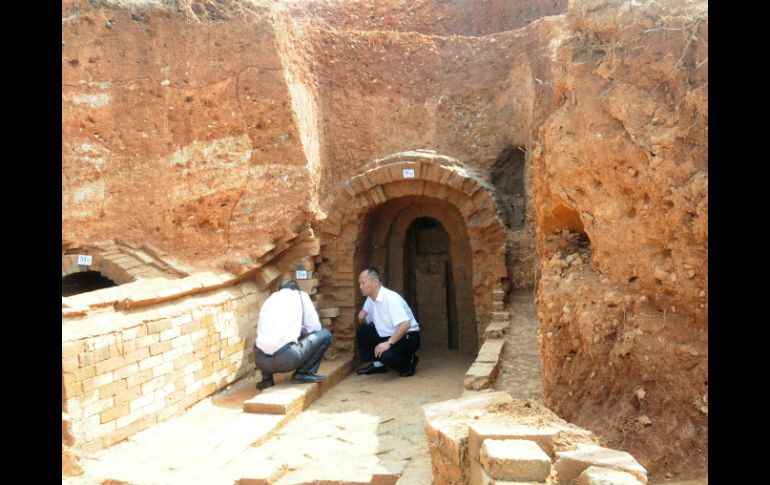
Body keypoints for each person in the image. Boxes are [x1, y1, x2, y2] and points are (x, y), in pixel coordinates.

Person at [253, 279, 332, 390]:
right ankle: (303, 373)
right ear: (297, 289)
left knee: (264, 339)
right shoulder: (300, 296)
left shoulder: (270, 299)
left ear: (279, 290)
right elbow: (314, 327)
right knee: (325, 335)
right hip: (286, 360)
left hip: (261, 361)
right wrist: (300, 331)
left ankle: (266, 380)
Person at [355, 268, 421, 377]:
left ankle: (409, 362)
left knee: (385, 355)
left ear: (375, 282)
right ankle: (378, 366)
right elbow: (364, 323)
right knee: (362, 331)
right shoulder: (370, 299)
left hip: (408, 337)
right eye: (359, 283)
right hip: (387, 335)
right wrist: (361, 318)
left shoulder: (390, 298)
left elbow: (406, 325)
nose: (360, 287)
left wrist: (387, 343)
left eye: (363, 283)